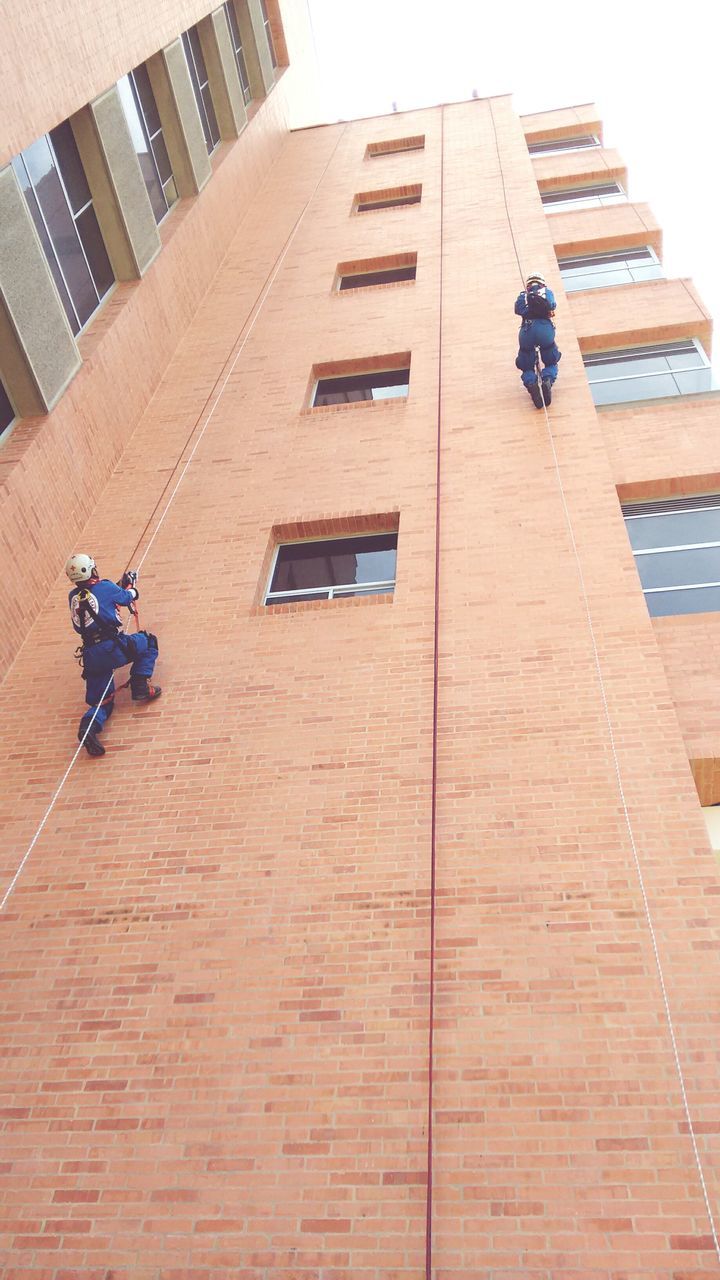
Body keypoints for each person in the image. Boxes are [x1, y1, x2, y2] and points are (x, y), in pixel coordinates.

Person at [66, 553, 161, 757]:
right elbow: (126, 597)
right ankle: (140, 685)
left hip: (92, 655)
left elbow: (100, 601)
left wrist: (120, 584)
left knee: (103, 702)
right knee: (149, 642)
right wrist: (131, 587)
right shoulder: (105, 587)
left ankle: (88, 729)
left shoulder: (73, 596)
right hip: (113, 647)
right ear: (91, 570)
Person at [514, 271, 562, 409]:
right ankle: (547, 379)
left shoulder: (523, 295)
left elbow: (518, 309)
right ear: (542, 282)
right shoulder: (546, 291)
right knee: (551, 359)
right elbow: (552, 305)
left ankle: (531, 383)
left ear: (528, 284)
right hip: (544, 328)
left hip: (527, 330)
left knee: (526, 364)